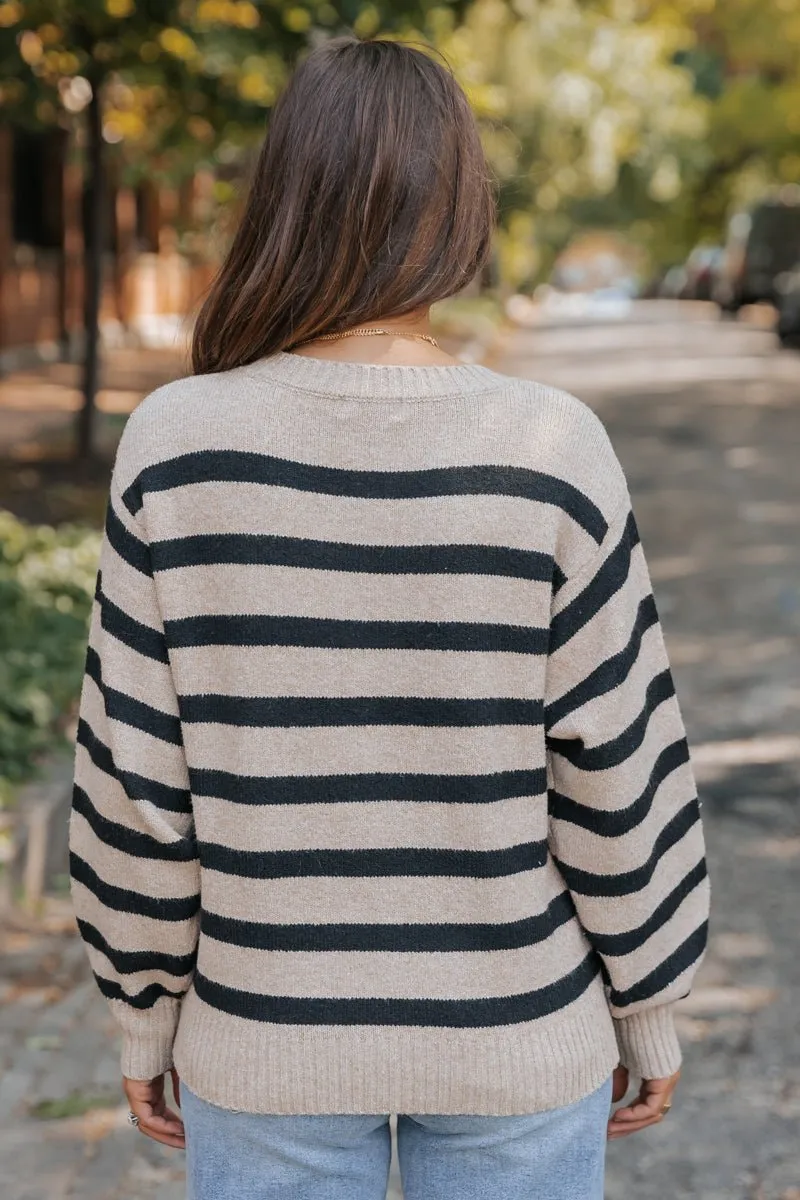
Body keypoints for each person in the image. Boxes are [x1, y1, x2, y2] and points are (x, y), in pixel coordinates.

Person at [69, 35, 710, 1200]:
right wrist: (648, 1001)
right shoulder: (551, 448)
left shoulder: (174, 444)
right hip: (519, 1039)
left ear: (284, 202)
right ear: (459, 206)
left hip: (262, 1042)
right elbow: (618, 767)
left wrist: (144, 1016)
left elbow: (133, 788)